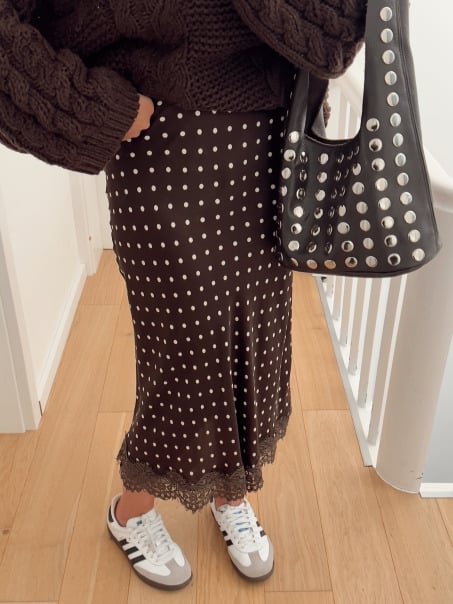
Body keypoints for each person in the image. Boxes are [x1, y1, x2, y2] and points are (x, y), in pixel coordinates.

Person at [0, 0, 366, 591]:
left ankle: (229, 492)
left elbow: (339, 28)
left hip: (270, 143)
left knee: (254, 334)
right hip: (160, 144)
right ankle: (132, 510)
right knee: (185, 346)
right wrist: (90, 111)